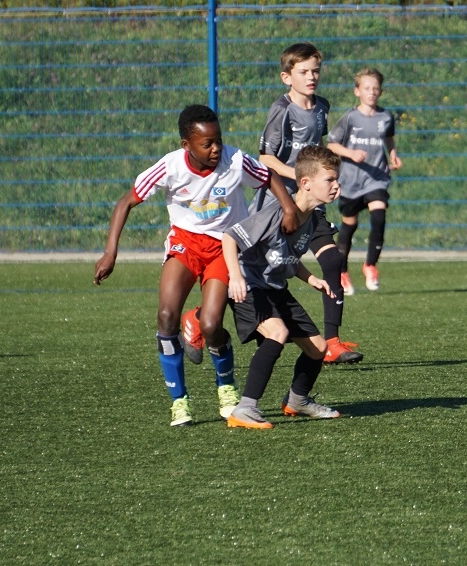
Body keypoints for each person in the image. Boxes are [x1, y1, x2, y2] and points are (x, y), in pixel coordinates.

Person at [93, 104, 300, 427]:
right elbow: (126, 202)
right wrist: (110, 253)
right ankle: (179, 402)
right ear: (186, 145)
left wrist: (288, 208)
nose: (216, 148)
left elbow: (267, 176)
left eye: (219, 140)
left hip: (224, 246)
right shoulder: (170, 167)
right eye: (207, 143)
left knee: (212, 325)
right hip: (185, 244)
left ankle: (226, 388)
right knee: (166, 316)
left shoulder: (235, 160)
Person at [249, 41, 364, 365]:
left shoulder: (322, 106)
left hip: (312, 202)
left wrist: (325, 178)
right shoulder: (282, 110)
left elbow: (319, 150)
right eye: (304, 72)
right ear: (287, 77)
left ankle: (332, 343)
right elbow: (265, 158)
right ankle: (201, 317)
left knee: (333, 261)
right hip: (280, 203)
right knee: (256, 271)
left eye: (316, 71)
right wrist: (301, 176)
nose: (312, 77)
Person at [222, 145, 345, 429]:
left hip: (275, 287)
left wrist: (311, 278)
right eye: (329, 179)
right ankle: (245, 408)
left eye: (337, 179)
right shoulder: (276, 212)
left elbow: (287, 258)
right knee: (277, 332)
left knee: (318, 348)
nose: (336, 185)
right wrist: (235, 277)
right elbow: (230, 238)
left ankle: (297, 400)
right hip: (250, 285)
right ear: (306, 183)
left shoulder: (311, 219)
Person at [326, 67, 403, 295]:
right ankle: (342, 272)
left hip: (376, 178)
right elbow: (332, 144)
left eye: (376, 88)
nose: (372, 92)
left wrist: (393, 154)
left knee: (379, 216)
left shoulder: (385, 117)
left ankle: (370, 265)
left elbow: (388, 137)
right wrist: (350, 153)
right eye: (367, 88)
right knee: (349, 226)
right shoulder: (350, 117)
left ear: (381, 91)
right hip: (351, 181)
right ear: (357, 91)